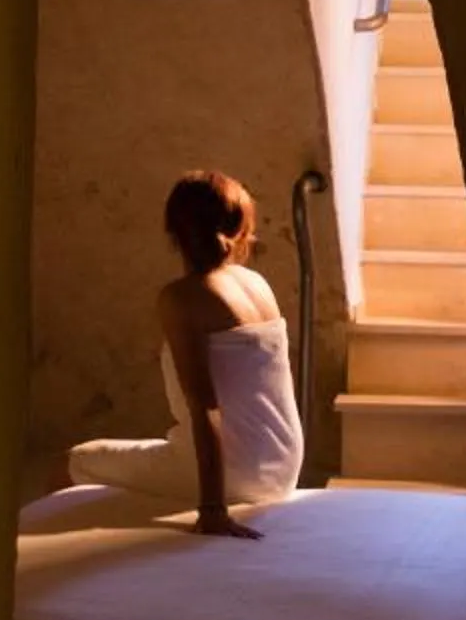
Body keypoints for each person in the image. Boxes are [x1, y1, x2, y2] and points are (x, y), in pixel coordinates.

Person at [66, 170, 305, 535]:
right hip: (284, 463)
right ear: (241, 226)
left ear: (174, 232)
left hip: (238, 473)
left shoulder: (182, 298)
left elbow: (204, 407)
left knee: (74, 462)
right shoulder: (257, 284)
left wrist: (212, 509)